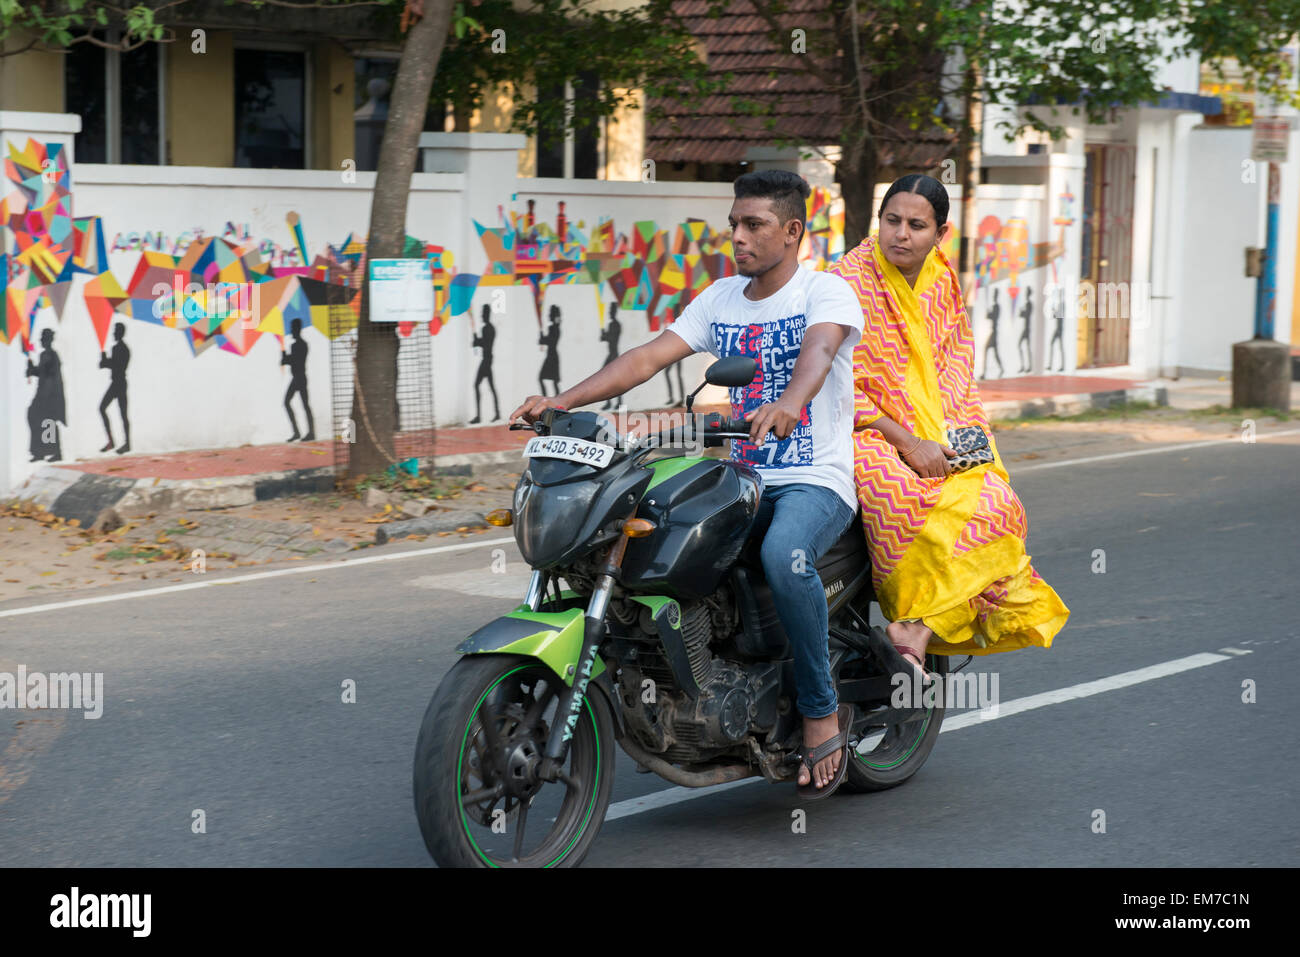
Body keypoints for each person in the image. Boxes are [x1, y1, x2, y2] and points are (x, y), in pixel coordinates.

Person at [511, 170, 864, 797]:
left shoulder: (826, 293)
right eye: (734, 224)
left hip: (812, 477)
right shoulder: (722, 298)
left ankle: (818, 709)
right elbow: (646, 359)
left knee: (786, 556)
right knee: (653, 534)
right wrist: (560, 402)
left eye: (754, 225)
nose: (739, 237)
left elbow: (819, 354)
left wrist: (788, 403)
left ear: (792, 231)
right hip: (739, 476)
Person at [827, 173, 1069, 680]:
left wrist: (959, 440)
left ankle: (919, 628)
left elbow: (955, 367)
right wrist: (907, 441)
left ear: (940, 234)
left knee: (998, 504)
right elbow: (833, 379)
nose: (901, 234)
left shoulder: (941, 278)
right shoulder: (844, 282)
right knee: (903, 492)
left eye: (917, 225)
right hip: (862, 431)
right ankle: (911, 624)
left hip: (937, 428)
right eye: (892, 221)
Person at [26, 328, 66, 462]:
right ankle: (40, 451)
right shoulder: (44, 355)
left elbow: (50, 377)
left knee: (48, 422)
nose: (42, 341)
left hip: (49, 396)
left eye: (44, 339)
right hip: (43, 395)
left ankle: (55, 452)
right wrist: (32, 370)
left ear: (48, 340)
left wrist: (44, 398)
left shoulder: (52, 356)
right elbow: (42, 373)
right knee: (37, 419)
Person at [99, 322, 131, 453]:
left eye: (116, 331)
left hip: (119, 383)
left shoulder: (122, 349)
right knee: (103, 408)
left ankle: (126, 443)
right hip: (117, 383)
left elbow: (117, 365)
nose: (113, 333)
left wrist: (105, 361)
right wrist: (105, 361)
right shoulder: (118, 349)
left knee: (122, 413)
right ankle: (113, 441)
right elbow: (111, 364)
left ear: (120, 333)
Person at [281, 317, 315, 442]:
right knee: (300, 404)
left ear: (297, 329)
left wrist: (286, 358)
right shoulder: (300, 345)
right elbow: (292, 360)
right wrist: (286, 357)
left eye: (293, 328)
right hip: (298, 377)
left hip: (299, 377)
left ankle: (306, 432)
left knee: (301, 404)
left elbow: (295, 362)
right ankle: (304, 432)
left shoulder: (298, 345)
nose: (291, 331)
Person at [470, 303, 500, 424]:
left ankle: (478, 416)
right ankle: (496, 413)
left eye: (483, 313)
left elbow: (485, 345)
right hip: (488, 359)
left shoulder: (487, 328)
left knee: (477, 385)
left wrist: (477, 341)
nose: (481, 315)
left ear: (487, 314)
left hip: (486, 360)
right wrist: (477, 341)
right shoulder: (490, 328)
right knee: (491, 387)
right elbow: (483, 343)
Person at [538, 306, 562, 396]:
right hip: (552, 356)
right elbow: (548, 340)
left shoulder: (553, 328)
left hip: (552, 357)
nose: (549, 315)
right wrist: (542, 339)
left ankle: (548, 399)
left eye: (550, 313)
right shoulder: (555, 327)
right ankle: (554, 400)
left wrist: (542, 339)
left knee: (545, 379)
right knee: (554, 381)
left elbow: (550, 341)